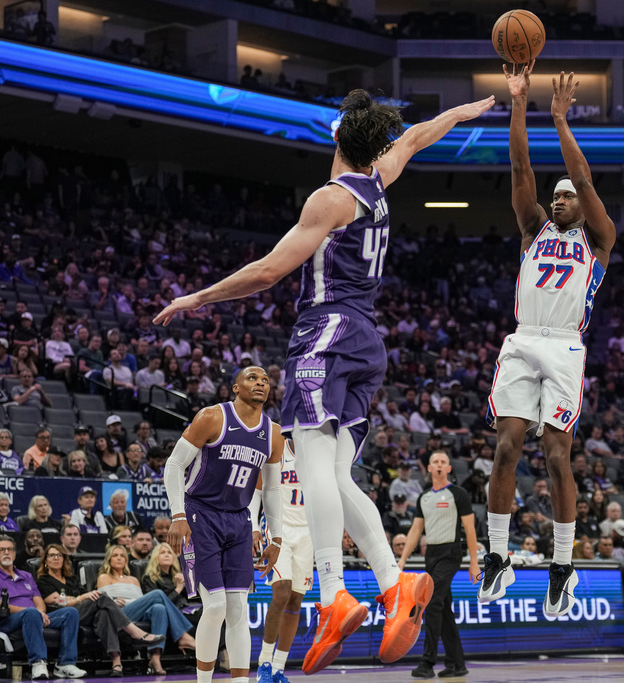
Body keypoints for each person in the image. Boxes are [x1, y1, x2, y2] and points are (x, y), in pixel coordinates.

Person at [154, 89, 494, 675]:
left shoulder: (331, 198)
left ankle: (334, 594)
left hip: (325, 330)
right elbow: (415, 136)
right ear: (372, 147)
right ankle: (393, 583)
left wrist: (198, 297)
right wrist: (463, 113)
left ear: (337, 139)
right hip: (367, 340)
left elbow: (267, 272)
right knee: (336, 474)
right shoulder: (380, 181)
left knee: (310, 466)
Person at [478, 62, 617, 618]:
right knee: (506, 447)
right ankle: (496, 556)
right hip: (522, 340)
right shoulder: (533, 229)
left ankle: (562, 567)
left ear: (582, 205)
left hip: (563, 346)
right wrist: (518, 102)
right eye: (554, 196)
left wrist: (560, 120)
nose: (558, 199)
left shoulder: (599, 240)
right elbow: (519, 166)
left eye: (566, 196)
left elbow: (582, 178)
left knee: (557, 457)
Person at [161, 366, 283, 683]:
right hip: (200, 513)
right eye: (252, 378)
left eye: (265, 380)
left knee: (238, 609)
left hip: (239, 520)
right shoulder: (213, 417)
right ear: (235, 387)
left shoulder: (273, 433)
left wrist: (276, 537)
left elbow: (270, 489)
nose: (260, 383)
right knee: (215, 607)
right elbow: (174, 464)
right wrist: (177, 515)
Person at [398, 452, 479, 679]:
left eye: (444, 462)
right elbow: (415, 531)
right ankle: (456, 663)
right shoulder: (423, 497)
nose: (440, 465)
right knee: (442, 608)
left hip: (451, 552)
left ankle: (427, 662)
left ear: (449, 468)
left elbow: (470, 530)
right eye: (436, 462)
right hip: (431, 554)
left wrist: (474, 562)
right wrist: (402, 560)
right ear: (430, 468)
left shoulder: (458, 494)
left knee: (432, 602)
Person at [37, 543, 164, 676]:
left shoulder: (72, 579)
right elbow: (59, 602)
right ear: (46, 560)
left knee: (104, 613)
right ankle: (134, 631)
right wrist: (80, 598)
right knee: (101, 596)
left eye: (59, 555)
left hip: (83, 613)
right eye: (52, 555)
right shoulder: (43, 581)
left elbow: (78, 598)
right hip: (65, 617)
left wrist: (77, 598)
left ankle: (116, 663)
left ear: (64, 559)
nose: (56, 558)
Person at [0, 535, 87, 680]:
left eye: (9, 549)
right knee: (31, 612)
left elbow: (39, 602)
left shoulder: (26, 575)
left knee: (71, 612)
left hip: (34, 615)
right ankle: (38, 662)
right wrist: (32, 613)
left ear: (14, 553)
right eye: (1, 550)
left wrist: (40, 614)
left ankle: (65, 664)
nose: (6, 552)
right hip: (7, 621)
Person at [253, 439, 312, 683]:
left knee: (296, 600)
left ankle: (278, 668)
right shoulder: (278, 448)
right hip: (278, 528)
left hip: (309, 531)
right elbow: (257, 490)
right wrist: (254, 525)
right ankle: (263, 663)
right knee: (281, 593)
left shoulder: (317, 454)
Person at [96, 544, 195, 674]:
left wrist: (127, 601)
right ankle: (183, 635)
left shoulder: (134, 579)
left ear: (126, 560)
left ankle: (155, 658)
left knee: (159, 608)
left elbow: (141, 602)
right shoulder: (104, 577)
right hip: (118, 614)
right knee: (158, 594)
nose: (119, 558)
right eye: (115, 555)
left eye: (122, 556)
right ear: (109, 559)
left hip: (135, 611)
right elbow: (105, 601)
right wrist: (121, 602)